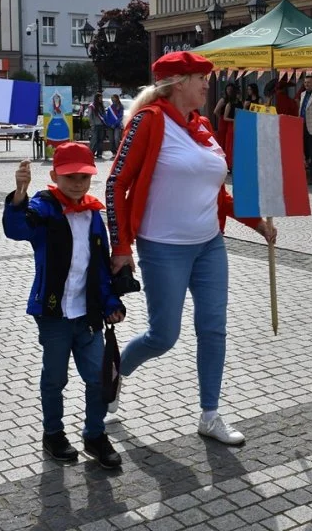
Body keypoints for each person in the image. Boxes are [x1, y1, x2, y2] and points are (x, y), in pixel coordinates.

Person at [105, 51, 276, 446]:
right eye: (201, 78)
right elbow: (116, 183)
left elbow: (217, 193)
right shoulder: (149, 122)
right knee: (163, 336)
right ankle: (113, 372)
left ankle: (210, 414)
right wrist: (121, 245)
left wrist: (257, 223)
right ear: (179, 82)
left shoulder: (201, 125)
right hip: (162, 246)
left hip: (209, 245)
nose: (207, 85)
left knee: (213, 329)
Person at [3, 144, 126, 467]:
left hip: (88, 315)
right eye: (70, 176)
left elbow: (99, 267)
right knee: (55, 379)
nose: (77, 183)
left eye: (84, 177)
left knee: (98, 377)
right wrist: (20, 193)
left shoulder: (93, 214)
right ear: (55, 175)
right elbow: (16, 229)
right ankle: (53, 433)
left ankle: (95, 434)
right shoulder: (44, 206)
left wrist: (111, 302)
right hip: (54, 314)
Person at [213, 83, 242, 170]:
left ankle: (229, 161)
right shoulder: (224, 100)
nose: (229, 91)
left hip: (230, 121)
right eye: (227, 89)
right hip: (224, 120)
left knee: (229, 142)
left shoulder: (237, 101)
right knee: (223, 141)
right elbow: (215, 111)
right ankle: (222, 160)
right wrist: (221, 118)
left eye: (230, 89)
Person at [89, 93, 107, 160]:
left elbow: (104, 115)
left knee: (100, 140)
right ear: (97, 98)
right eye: (100, 98)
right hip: (95, 125)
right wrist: (92, 125)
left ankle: (99, 153)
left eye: (101, 98)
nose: (101, 99)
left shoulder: (102, 106)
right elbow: (90, 116)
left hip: (102, 125)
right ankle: (91, 153)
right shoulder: (92, 106)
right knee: (94, 139)